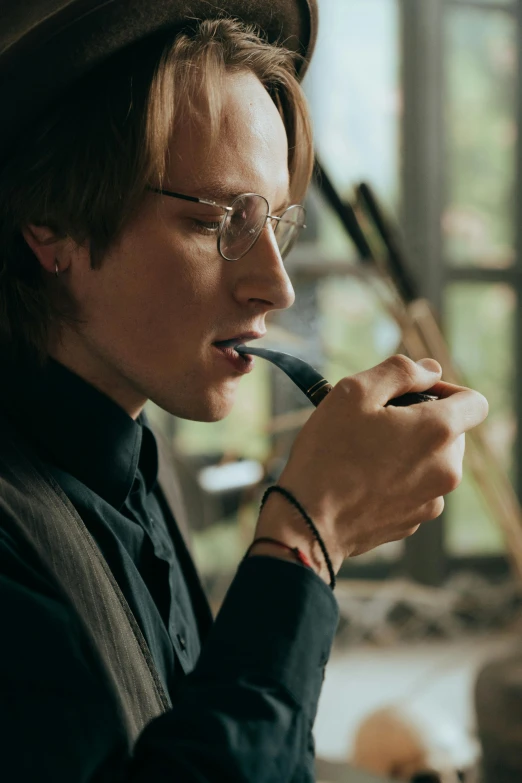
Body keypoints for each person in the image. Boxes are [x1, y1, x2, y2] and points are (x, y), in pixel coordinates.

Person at [0, 1, 488, 781]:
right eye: (219, 220)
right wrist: (308, 533)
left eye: (275, 223)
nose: (277, 286)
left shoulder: (139, 464)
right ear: (49, 222)